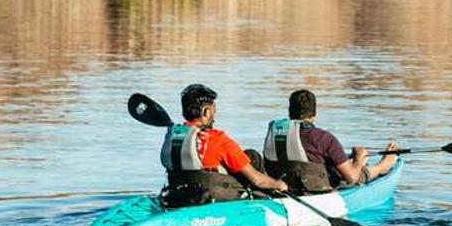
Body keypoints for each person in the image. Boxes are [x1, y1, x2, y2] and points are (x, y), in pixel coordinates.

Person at [161, 83, 287, 206]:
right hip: (212, 197)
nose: (214, 117)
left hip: (178, 193)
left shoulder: (173, 136)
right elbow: (257, 180)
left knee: (250, 156)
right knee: (254, 159)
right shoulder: (219, 140)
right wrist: (280, 185)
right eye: (213, 111)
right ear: (206, 112)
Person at [263, 89, 396, 194]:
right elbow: (352, 177)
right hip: (313, 188)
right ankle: (381, 167)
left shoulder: (275, 133)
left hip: (282, 184)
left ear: (290, 112)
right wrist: (359, 159)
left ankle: (358, 163)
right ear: (314, 113)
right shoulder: (323, 138)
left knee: (339, 166)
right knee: (353, 173)